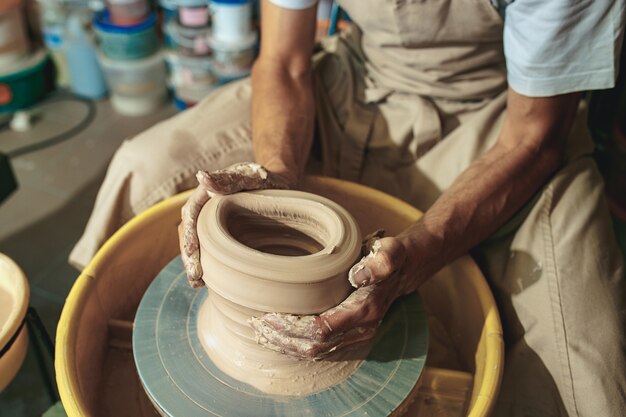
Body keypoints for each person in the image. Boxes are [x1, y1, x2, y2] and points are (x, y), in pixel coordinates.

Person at [71, 1, 626, 415]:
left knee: (586, 367)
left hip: (498, 117)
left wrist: (420, 256)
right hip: (354, 83)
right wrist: (277, 175)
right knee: (144, 170)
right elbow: (285, 61)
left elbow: (534, 137)